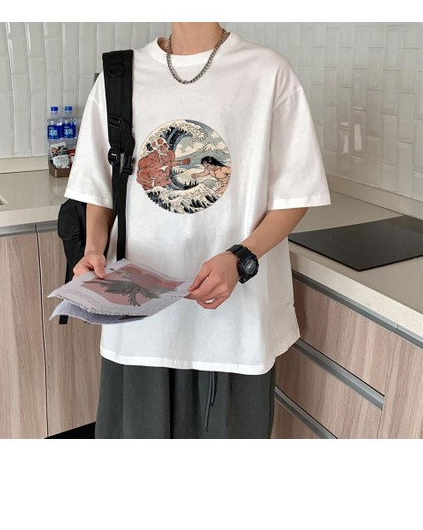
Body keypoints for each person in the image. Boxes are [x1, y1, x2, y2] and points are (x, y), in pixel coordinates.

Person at [65, 22, 331, 439]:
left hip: (233, 319)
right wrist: (94, 248)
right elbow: (99, 186)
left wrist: (240, 258)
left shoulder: (268, 73)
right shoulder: (120, 76)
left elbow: (296, 194)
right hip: (142, 319)